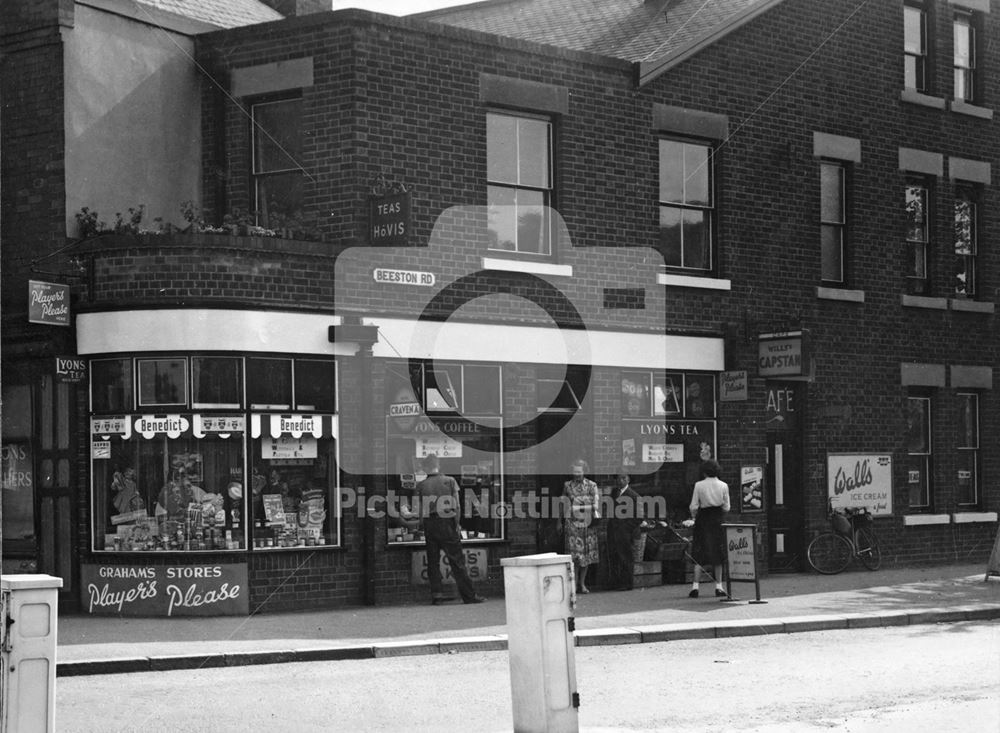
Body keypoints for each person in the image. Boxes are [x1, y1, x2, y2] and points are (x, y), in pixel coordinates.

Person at [416, 453, 486, 605]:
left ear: (426, 468)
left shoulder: (421, 485)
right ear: (438, 465)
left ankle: (437, 595)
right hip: (447, 521)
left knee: (433, 561)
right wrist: (456, 523)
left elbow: (420, 511)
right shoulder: (450, 481)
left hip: (430, 523)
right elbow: (457, 506)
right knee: (457, 561)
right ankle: (469, 596)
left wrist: (422, 525)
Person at [688, 459, 730, 598]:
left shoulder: (699, 485)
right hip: (717, 519)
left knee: (699, 552)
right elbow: (726, 507)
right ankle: (719, 587)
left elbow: (693, 506)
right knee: (718, 553)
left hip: (703, 519)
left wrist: (695, 517)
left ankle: (695, 587)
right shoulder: (723, 485)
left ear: (704, 471)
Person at [564, 459, 600, 594]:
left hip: (587, 524)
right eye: (575, 472)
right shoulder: (567, 485)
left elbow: (596, 506)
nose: (577, 474)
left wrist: (577, 506)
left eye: (579, 472)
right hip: (572, 524)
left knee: (585, 556)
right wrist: (559, 521)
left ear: (584, 471)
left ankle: (582, 584)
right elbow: (564, 504)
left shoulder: (592, 486)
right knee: (574, 556)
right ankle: (573, 583)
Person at [606, 468, 644, 591]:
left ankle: (627, 583)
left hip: (626, 532)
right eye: (619, 478)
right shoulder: (614, 493)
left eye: (623, 478)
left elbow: (639, 517)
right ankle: (616, 582)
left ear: (628, 479)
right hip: (614, 530)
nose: (621, 481)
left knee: (626, 557)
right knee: (615, 556)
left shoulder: (634, 496)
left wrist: (626, 528)